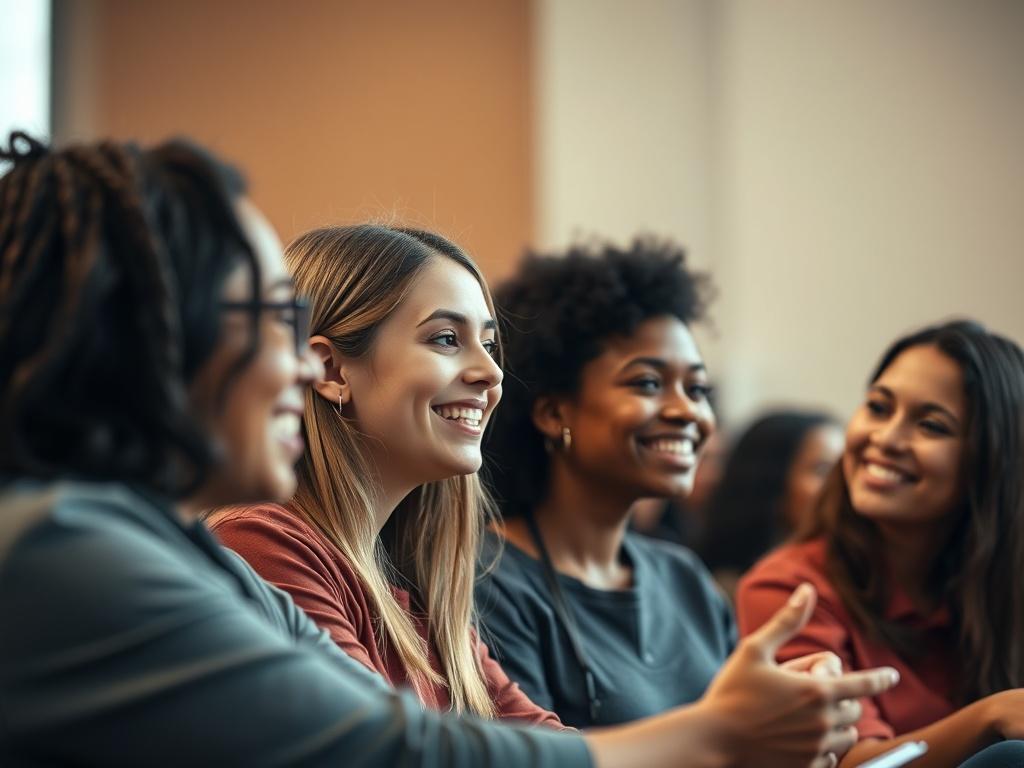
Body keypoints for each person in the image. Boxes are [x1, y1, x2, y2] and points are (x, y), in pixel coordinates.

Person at [0, 132, 897, 767]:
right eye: (272, 320)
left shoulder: (203, 558)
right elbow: (394, 754)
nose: (294, 360)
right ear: (159, 332)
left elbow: (496, 741)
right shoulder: (64, 544)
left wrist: (732, 735)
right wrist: (718, 735)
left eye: (491, 345)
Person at [208, 224, 561, 725]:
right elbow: (386, 751)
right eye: (445, 339)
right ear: (328, 370)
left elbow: (548, 744)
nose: (492, 372)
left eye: (487, 343)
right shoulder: (259, 543)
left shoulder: (418, 586)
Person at [476, 238, 795, 729]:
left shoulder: (684, 579)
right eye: (647, 383)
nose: (686, 411)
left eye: (698, 389)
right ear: (553, 411)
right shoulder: (488, 580)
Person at [736, 321, 1024, 767]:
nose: (886, 439)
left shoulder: (1001, 585)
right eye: (877, 407)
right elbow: (853, 762)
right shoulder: (791, 589)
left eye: (930, 425)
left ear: (991, 460)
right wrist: (992, 715)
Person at [699, 410, 842, 599]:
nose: (841, 485)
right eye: (822, 470)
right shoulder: (719, 591)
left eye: (843, 470)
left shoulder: (853, 577)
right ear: (771, 481)